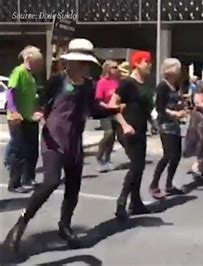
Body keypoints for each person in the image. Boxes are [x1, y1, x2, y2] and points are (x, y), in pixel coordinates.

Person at [3, 39, 120, 253]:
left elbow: (93, 110)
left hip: (74, 140)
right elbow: (41, 102)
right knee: (51, 182)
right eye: (80, 62)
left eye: (86, 63)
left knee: (73, 188)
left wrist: (114, 110)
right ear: (71, 62)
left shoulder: (89, 85)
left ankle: (64, 226)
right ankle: (21, 223)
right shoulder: (57, 80)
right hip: (53, 139)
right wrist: (36, 113)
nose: (84, 66)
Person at [109, 51, 155, 220]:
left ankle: (135, 202)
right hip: (127, 128)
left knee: (140, 165)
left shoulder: (146, 84)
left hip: (141, 128)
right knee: (136, 165)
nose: (149, 65)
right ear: (136, 63)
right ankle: (121, 203)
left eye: (150, 62)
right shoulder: (127, 83)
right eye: (146, 62)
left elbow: (145, 107)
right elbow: (112, 105)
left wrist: (152, 122)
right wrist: (124, 124)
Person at [6, 45, 44, 193]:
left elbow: (33, 98)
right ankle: (14, 183)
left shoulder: (31, 76)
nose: (39, 66)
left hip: (30, 118)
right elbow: (11, 93)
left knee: (32, 152)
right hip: (19, 119)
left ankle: (28, 178)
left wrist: (38, 112)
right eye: (37, 62)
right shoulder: (19, 72)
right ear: (28, 58)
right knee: (19, 152)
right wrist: (14, 111)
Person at [148, 58, 186, 199]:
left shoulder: (175, 86)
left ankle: (169, 184)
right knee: (168, 154)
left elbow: (177, 102)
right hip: (165, 123)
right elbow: (159, 107)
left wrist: (181, 109)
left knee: (176, 155)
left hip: (175, 123)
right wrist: (173, 113)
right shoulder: (162, 86)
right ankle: (154, 184)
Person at [95, 60, 121, 172]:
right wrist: (107, 106)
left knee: (113, 137)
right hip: (105, 111)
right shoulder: (102, 82)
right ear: (107, 69)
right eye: (114, 67)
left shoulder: (117, 82)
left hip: (116, 111)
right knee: (108, 133)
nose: (116, 69)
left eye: (117, 67)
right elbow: (98, 99)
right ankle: (99, 155)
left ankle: (107, 159)